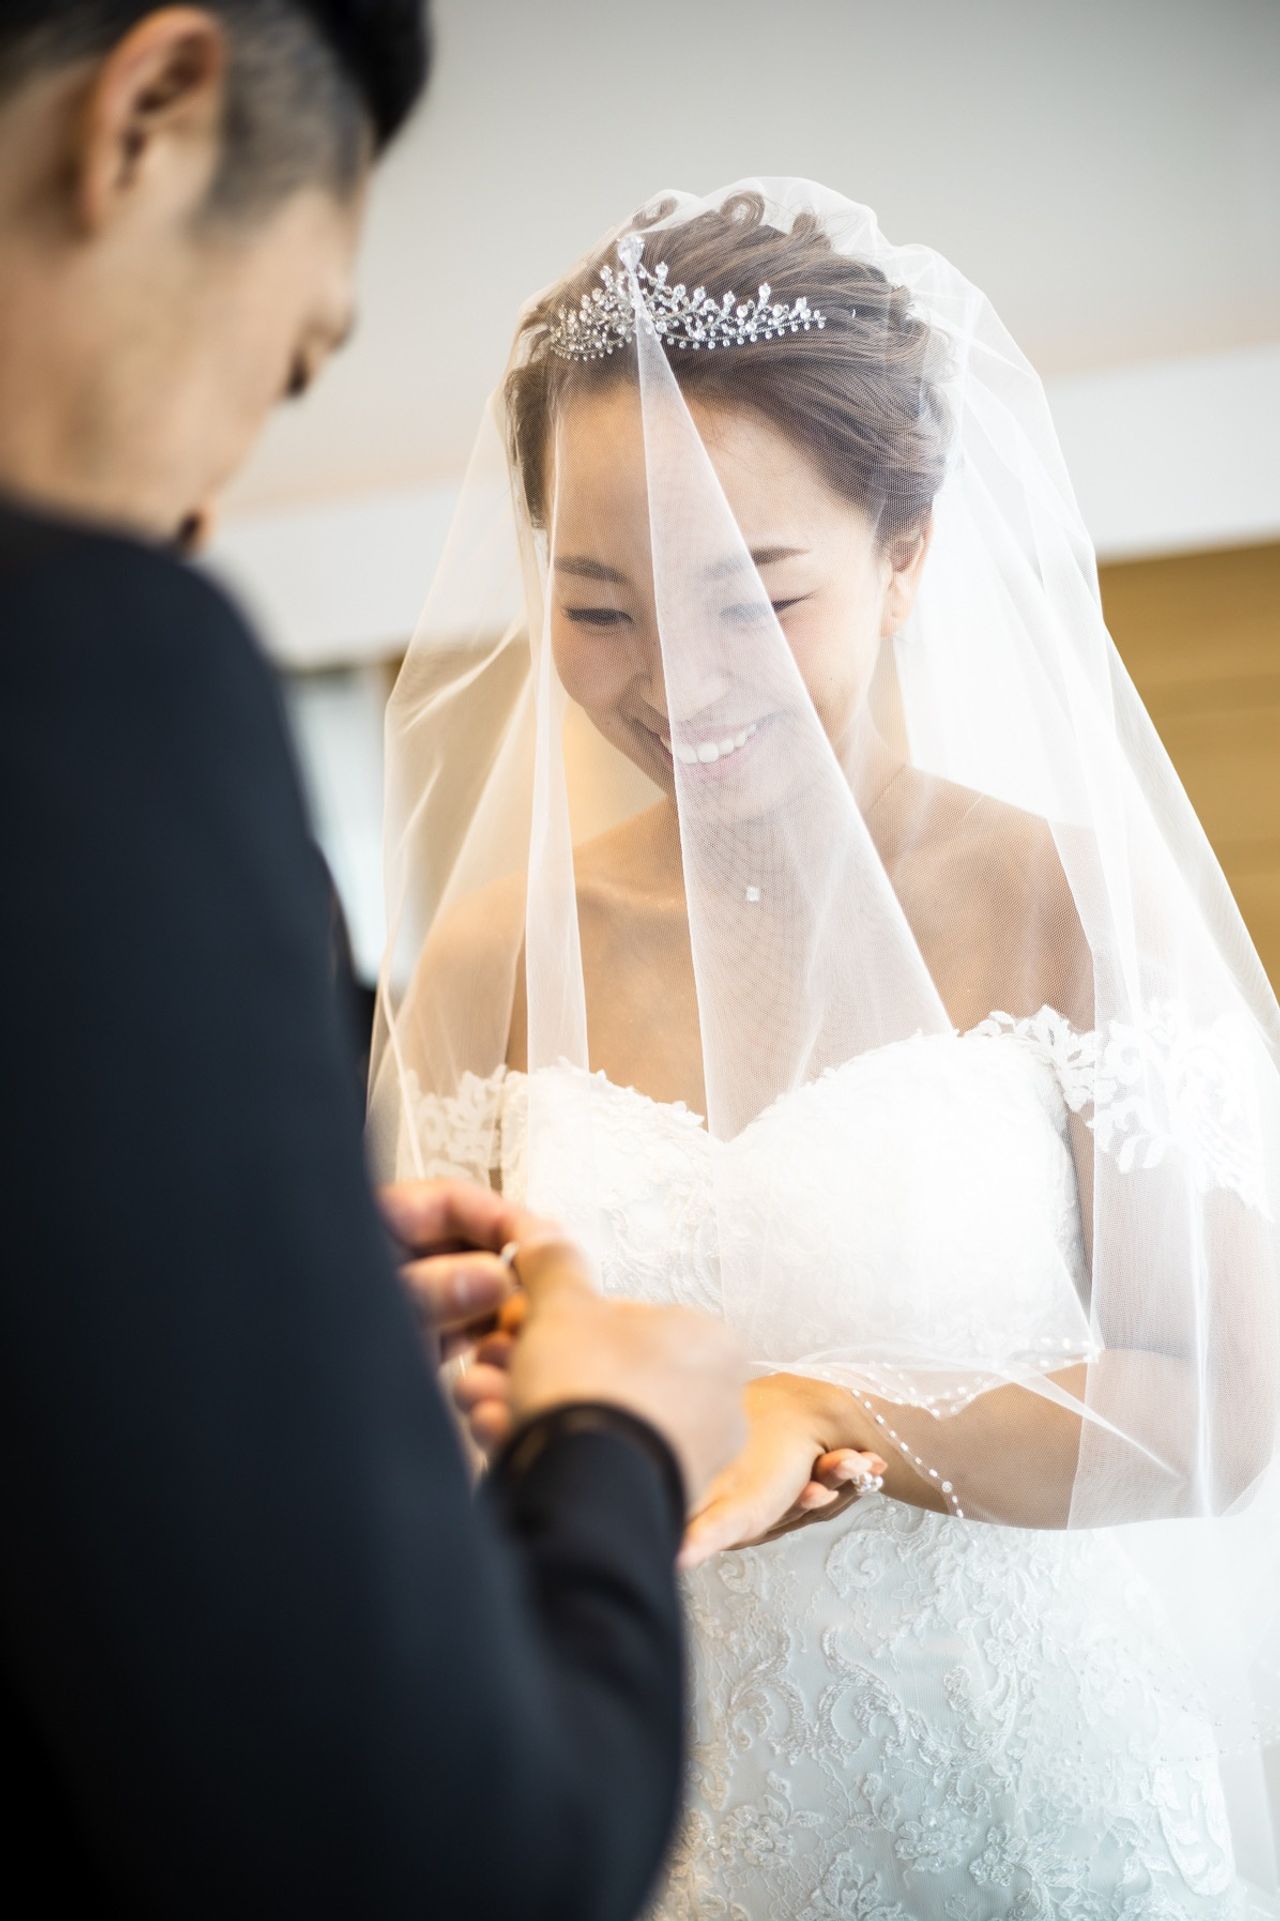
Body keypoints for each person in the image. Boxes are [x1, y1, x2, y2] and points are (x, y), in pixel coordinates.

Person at [371, 181, 1280, 1917]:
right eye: (600, 607)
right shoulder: (491, 960)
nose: (675, 683)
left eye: (754, 599)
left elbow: (1227, 1402)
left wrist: (836, 1411)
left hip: (1039, 1821)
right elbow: (431, 1402)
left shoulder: (1071, 908)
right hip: (676, 1822)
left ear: (906, 555)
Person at [0, 9, 747, 1916]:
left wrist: (274, 1311)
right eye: (290, 360)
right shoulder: (83, 676)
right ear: (149, 112)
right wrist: (616, 1440)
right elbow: (440, 1857)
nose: (208, 499)